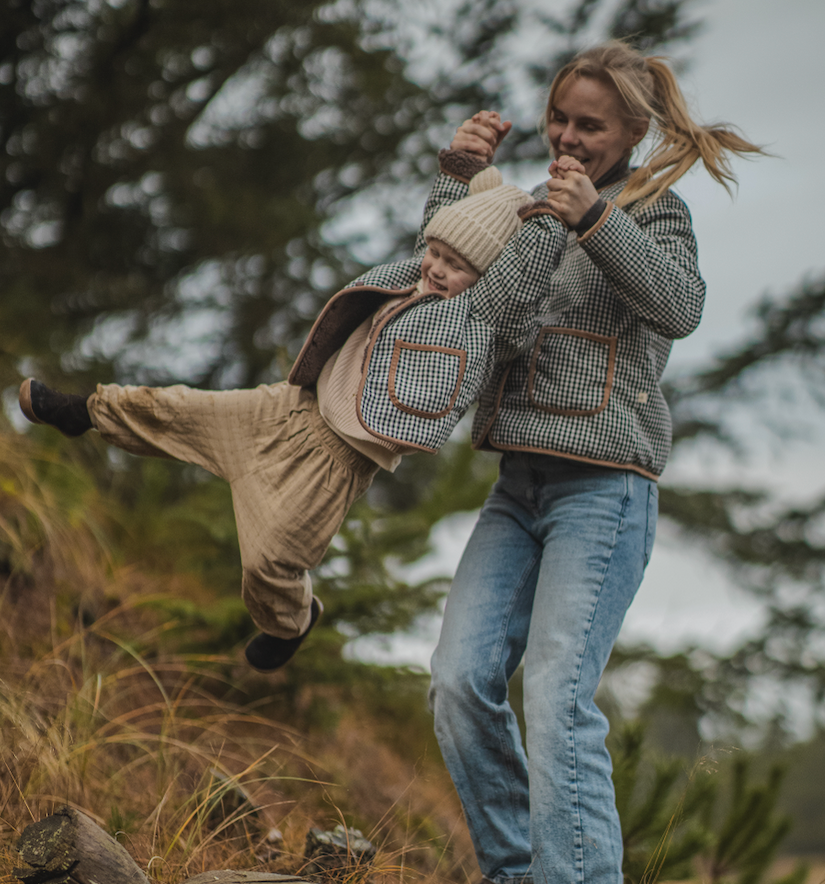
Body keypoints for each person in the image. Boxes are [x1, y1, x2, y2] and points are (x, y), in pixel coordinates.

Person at [424, 40, 767, 884]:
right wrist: (455, 180)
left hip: (605, 494)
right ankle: (517, 873)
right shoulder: (524, 206)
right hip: (517, 485)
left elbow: (680, 305)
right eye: (559, 120)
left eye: (591, 126)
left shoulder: (653, 209)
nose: (569, 139)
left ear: (633, 130)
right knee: (458, 684)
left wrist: (593, 218)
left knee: (556, 697)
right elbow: (455, 291)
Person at [19, 164, 569, 673]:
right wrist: (464, 163)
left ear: (488, 280)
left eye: (458, 266)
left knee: (268, 562)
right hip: (286, 409)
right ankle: (82, 411)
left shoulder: (481, 315)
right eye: (438, 254)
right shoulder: (413, 273)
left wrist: (549, 210)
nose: (438, 269)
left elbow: (520, 273)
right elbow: (439, 224)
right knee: (172, 408)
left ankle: (291, 623)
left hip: (333, 463)